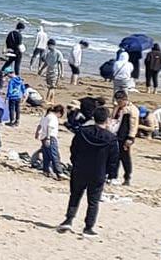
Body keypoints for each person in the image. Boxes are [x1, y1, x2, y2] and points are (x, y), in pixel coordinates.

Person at [58, 97, 118, 236]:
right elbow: (113, 159)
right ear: (107, 120)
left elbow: (74, 149)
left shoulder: (83, 131)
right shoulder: (110, 138)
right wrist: (111, 174)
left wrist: (75, 162)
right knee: (93, 200)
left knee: (75, 195)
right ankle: (88, 227)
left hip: (80, 168)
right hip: (98, 172)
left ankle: (68, 220)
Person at [114, 94, 140, 184]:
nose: (118, 103)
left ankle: (127, 177)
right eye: (117, 101)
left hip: (125, 136)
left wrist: (131, 137)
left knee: (125, 157)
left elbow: (134, 125)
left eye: (120, 101)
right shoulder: (117, 107)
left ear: (125, 100)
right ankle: (113, 175)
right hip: (116, 134)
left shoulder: (132, 110)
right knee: (114, 156)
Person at [35, 104, 65, 178]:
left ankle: (46, 170)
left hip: (43, 137)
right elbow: (49, 127)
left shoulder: (46, 116)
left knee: (46, 155)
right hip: (50, 137)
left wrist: (37, 133)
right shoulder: (53, 118)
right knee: (54, 155)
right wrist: (48, 138)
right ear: (59, 112)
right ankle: (59, 172)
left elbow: (39, 126)